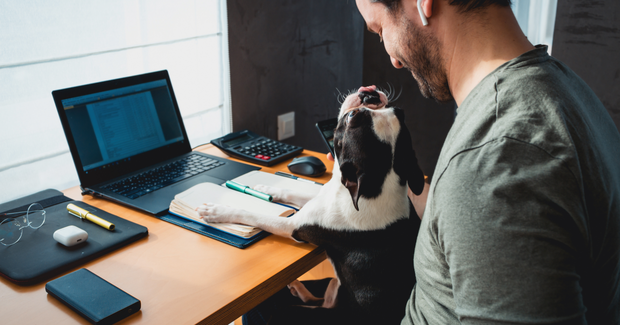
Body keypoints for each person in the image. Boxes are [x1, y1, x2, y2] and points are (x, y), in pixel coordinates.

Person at [351, 0, 620, 324]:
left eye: (381, 29)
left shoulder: (497, 159)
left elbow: (485, 189)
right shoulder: (564, 90)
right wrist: (383, 167)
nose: (392, 58)